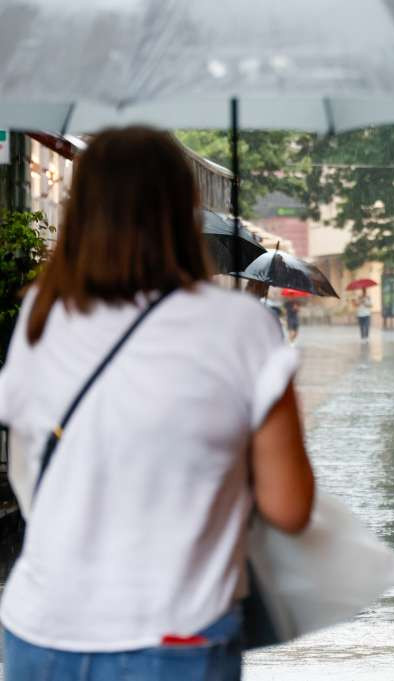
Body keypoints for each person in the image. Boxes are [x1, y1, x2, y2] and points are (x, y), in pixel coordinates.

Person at [0, 127, 315, 680]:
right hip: (174, 634)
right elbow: (288, 507)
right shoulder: (240, 326)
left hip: (40, 630)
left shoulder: (41, 314)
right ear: (184, 212)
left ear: (81, 210)